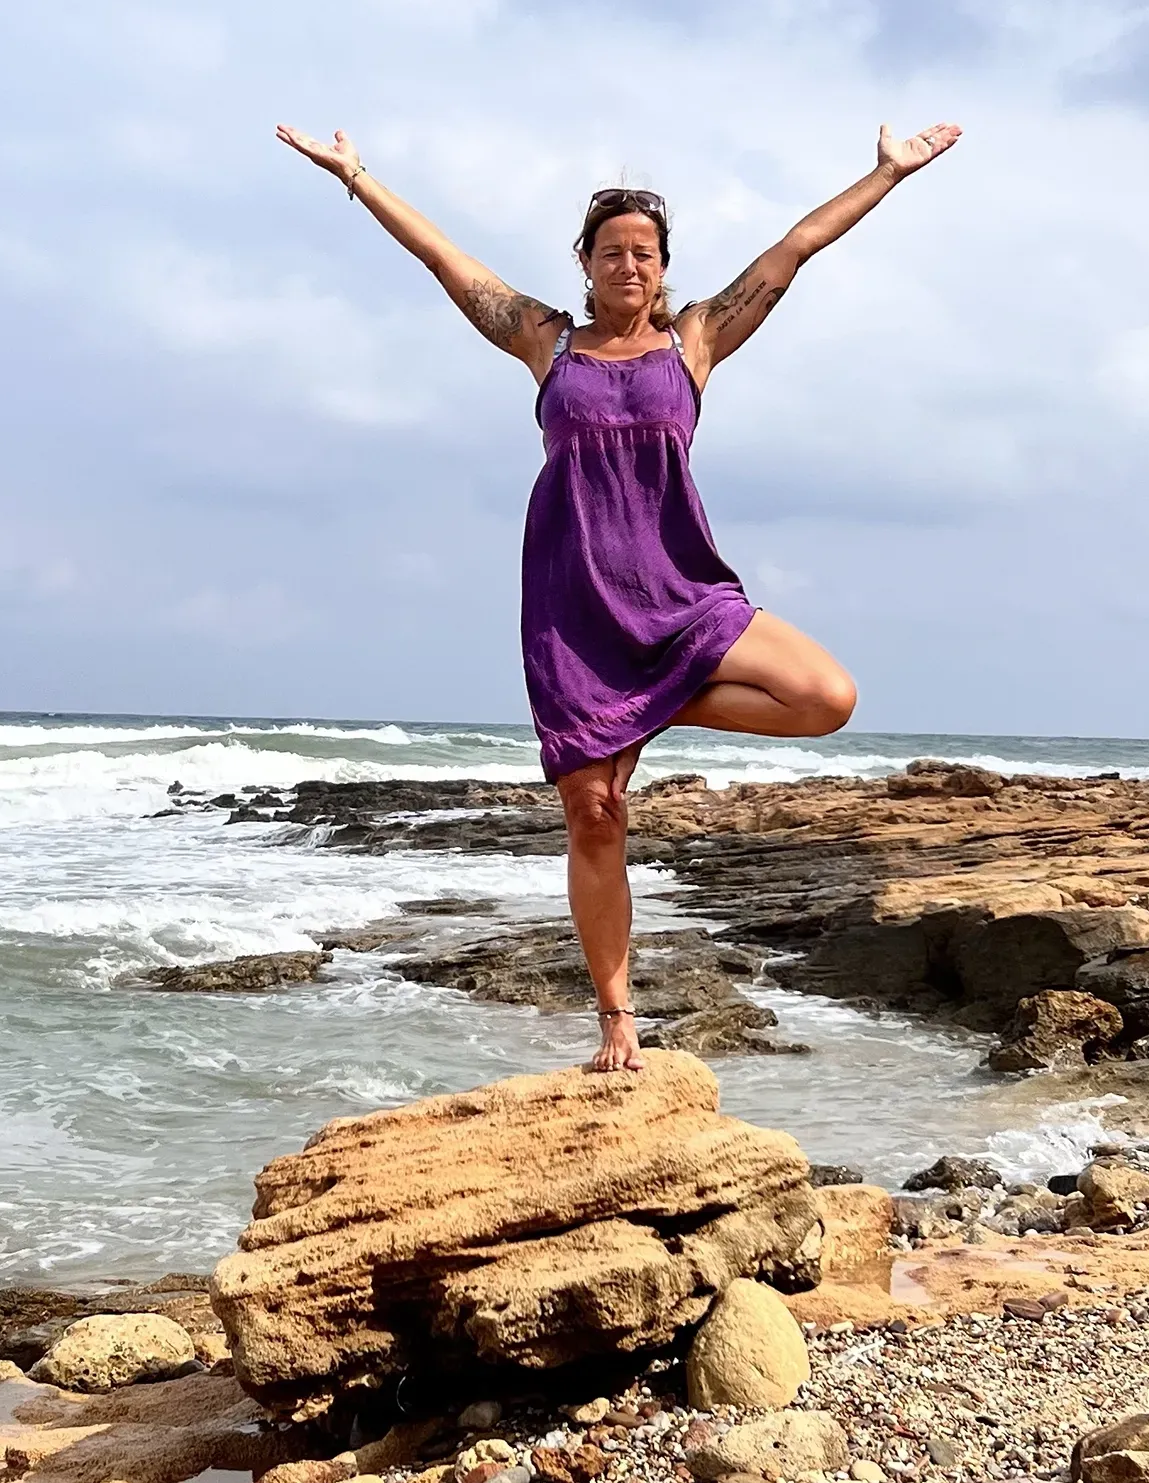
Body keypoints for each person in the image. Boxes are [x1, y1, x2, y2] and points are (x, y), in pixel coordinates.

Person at [276, 116, 961, 1068]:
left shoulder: (695, 341)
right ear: (586, 264)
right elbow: (446, 260)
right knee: (595, 814)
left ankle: (654, 705)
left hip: (682, 593)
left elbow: (794, 249)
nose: (627, 264)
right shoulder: (547, 344)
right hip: (578, 609)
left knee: (825, 697)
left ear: (663, 265)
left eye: (643, 251)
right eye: (610, 251)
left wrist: (885, 175)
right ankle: (616, 1020)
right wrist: (358, 176)